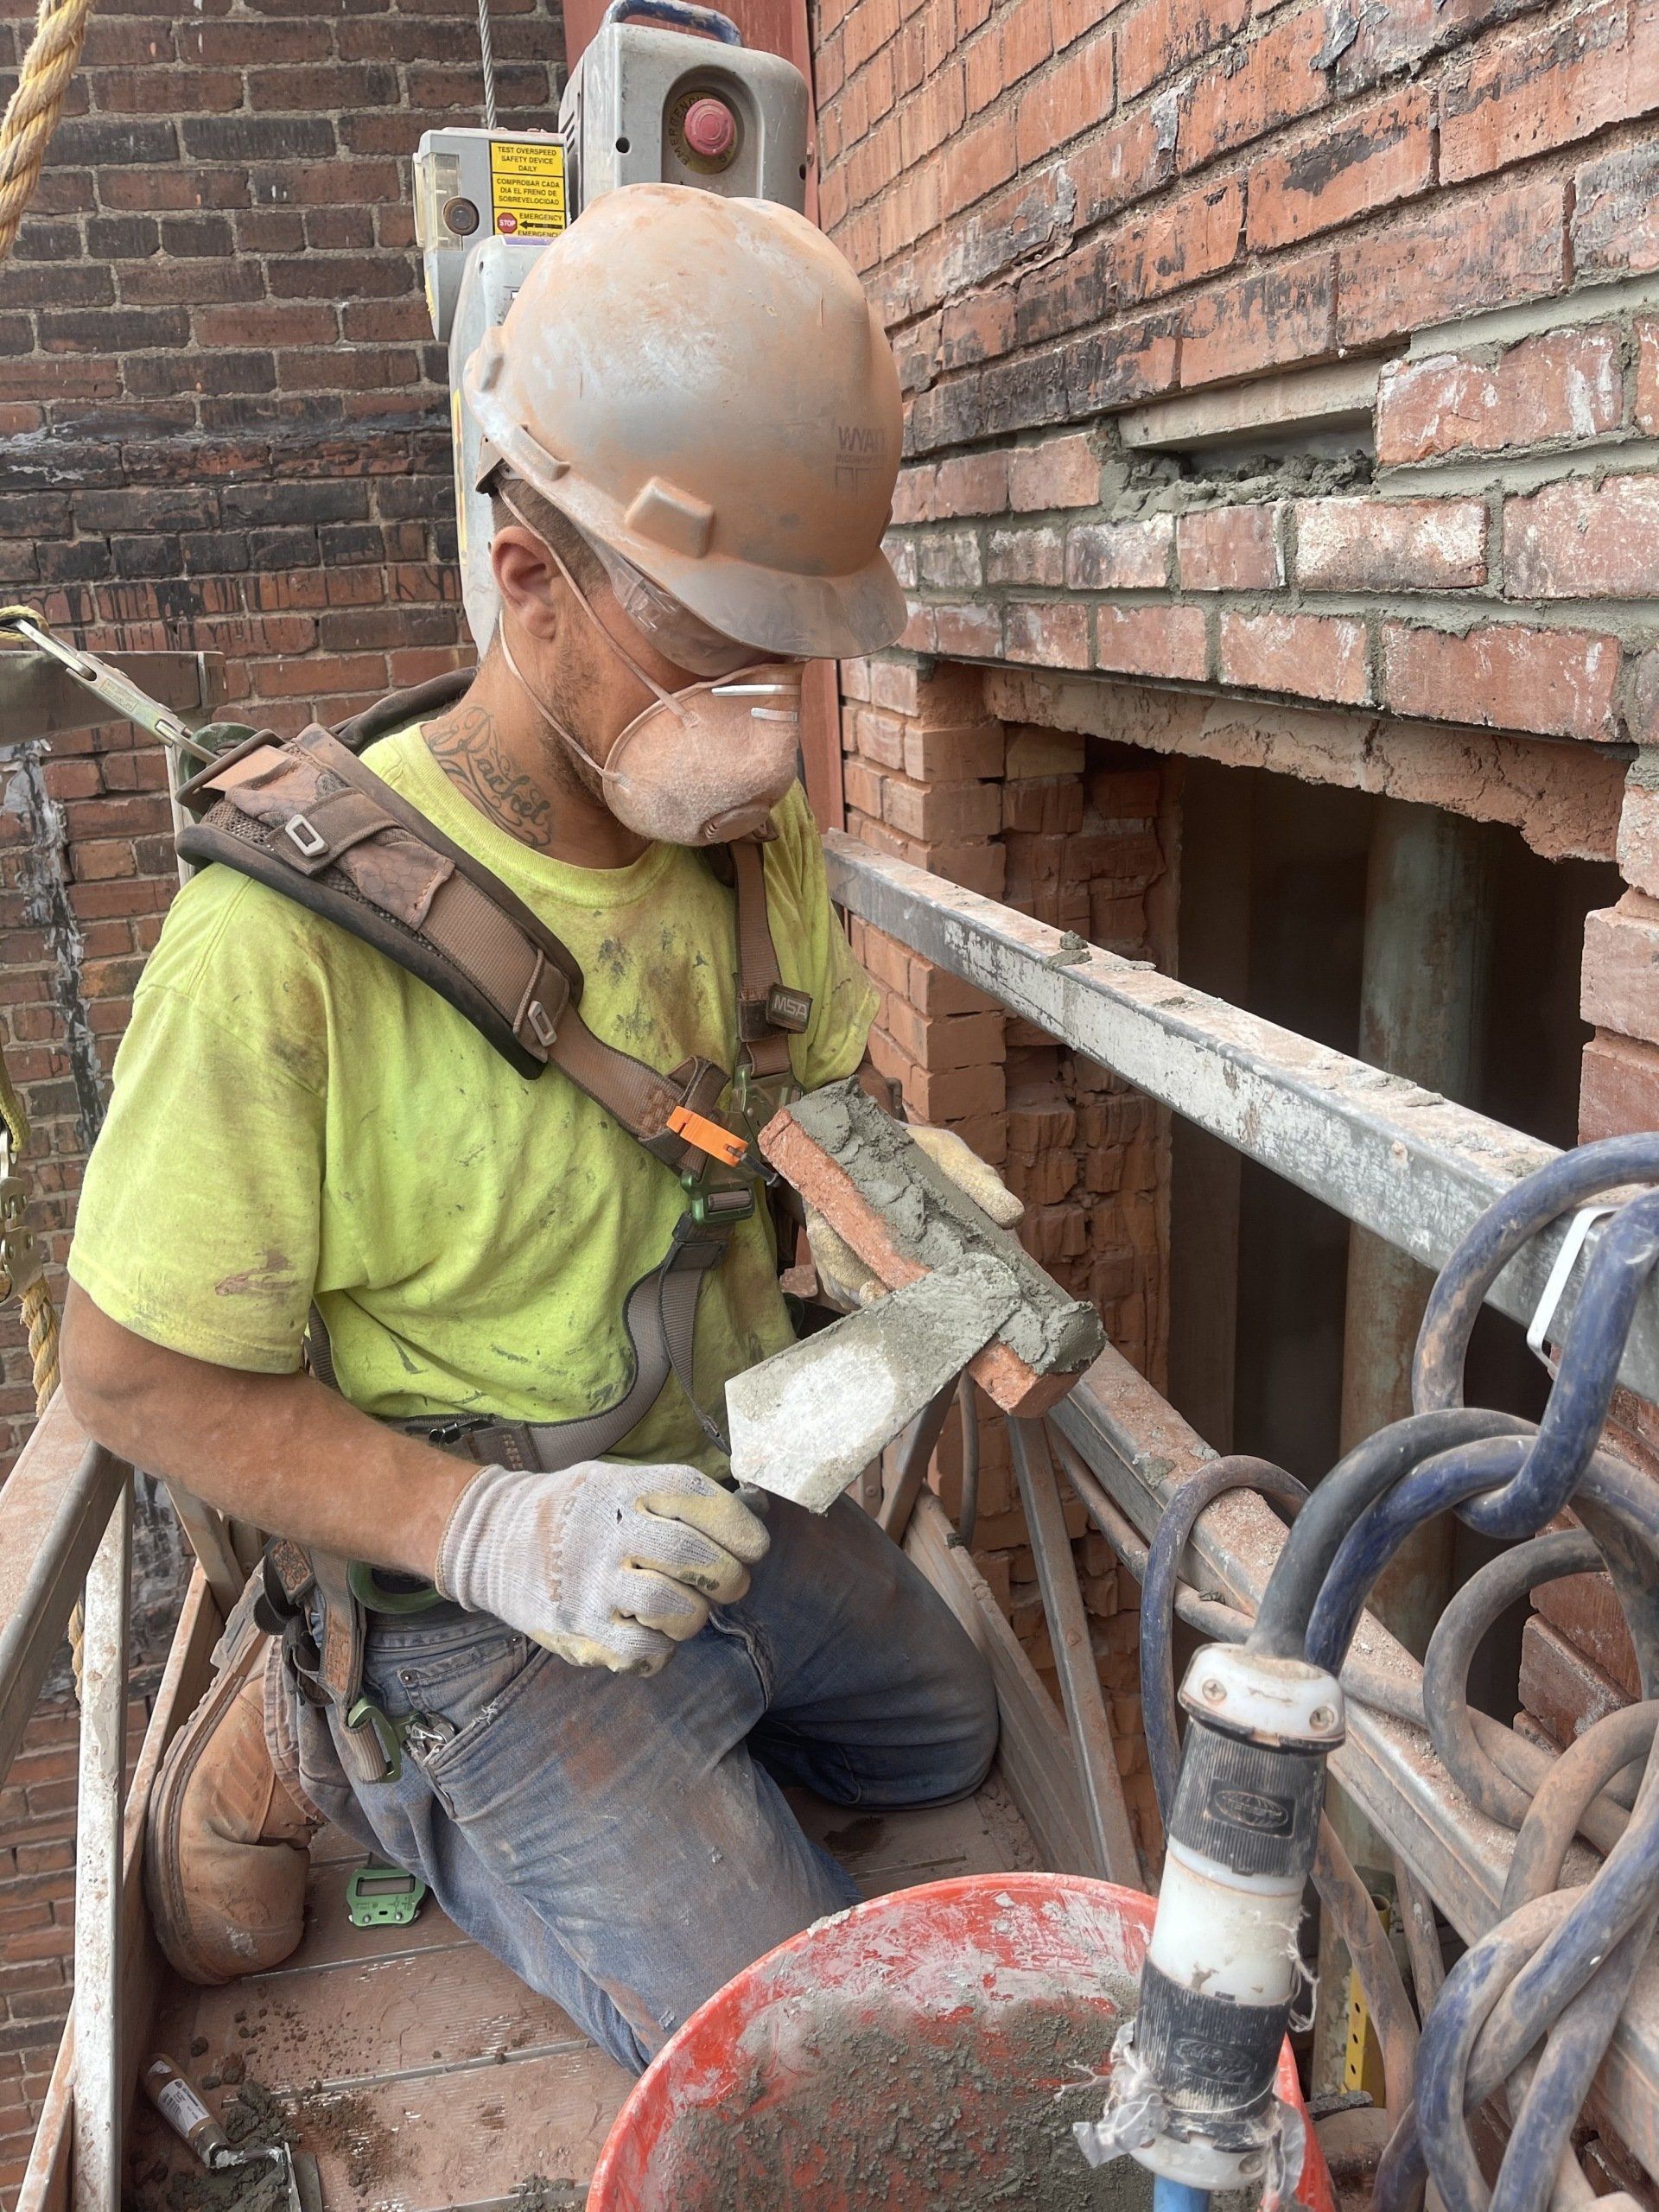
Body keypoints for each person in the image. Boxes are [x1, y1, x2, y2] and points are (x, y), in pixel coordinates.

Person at [59, 185, 1012, 2071]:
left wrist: (906, 1197)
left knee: (948, 1737)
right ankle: (324, 1740)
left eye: (787, 657)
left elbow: (808, 1105)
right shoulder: (280, 950)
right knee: (794, 2054)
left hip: (714, 1495)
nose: (758, 724)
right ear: (528, 579)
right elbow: (128, 1374)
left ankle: (668, 1750)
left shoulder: (742, 844)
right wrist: (490, 1529)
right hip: (469, 1586)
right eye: (704, 649)